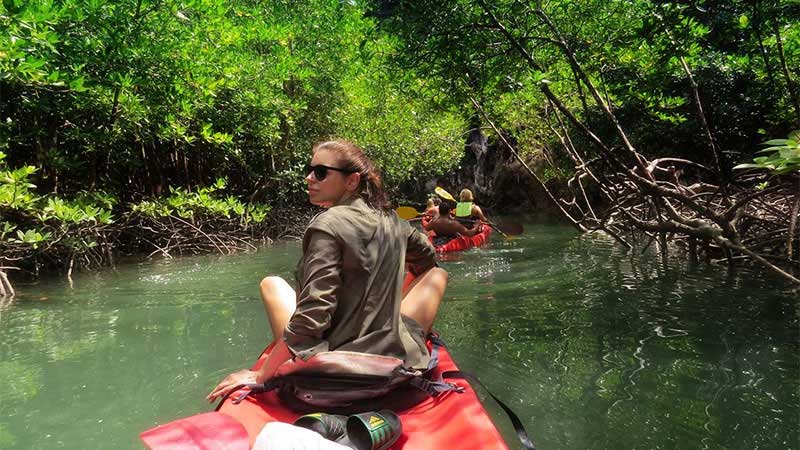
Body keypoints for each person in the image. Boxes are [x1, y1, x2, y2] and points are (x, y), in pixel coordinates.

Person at [207, 139, 449, 403]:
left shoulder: (327, 224)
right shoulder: (393, 221)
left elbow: (312, 315)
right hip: (391, 362)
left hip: (333, 369)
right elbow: (427, 258)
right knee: (438, 275)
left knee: (272, 283)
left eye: (321, 172)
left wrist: (261, 375)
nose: (310, 178)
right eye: (310, 170)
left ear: (351, 181)